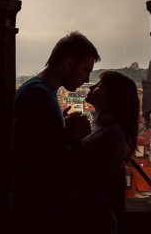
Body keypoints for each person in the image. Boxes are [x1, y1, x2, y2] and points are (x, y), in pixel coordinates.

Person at [8, 31, 101, 233]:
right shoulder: (37, 92)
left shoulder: (43, 90)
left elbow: (39, 138)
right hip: (34, 206)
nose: (86, 80)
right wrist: (71, 134)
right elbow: (21, 150)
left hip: (37, 204)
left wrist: (63, 129)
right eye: (86, 71)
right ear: (69, 63)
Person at [69, 71, 139, 233]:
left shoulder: (113, 133)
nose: (92, 86)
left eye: (100, 85)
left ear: (112, 97)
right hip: (87, 213)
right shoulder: (100, 126)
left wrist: (73, 138)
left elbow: (95, 180)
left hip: (92, 217)